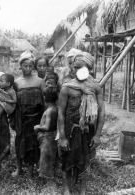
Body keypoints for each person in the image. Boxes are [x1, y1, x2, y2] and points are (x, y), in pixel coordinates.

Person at [58, 52, 105, 195]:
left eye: (81, 68)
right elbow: (61, 113)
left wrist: (97, 135)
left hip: (87, 131)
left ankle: (82, 190)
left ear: (89, 69)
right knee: (67, 159)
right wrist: (62, 137)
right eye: (74, 67)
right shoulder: (67, 87)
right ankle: (67, 190)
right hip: (70, 130)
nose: (76, 70)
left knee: (85, 161)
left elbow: (102, 112)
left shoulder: (95, 88)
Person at [12, 50, 45, 178]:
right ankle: (19, 168)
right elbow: (13, 101)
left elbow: (45, 100)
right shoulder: (16, 82)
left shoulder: (39, 81)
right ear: (20, 66)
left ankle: (31, 172)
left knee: (33, 144)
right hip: (21, 118)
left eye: (30, 66)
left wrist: (45, 119)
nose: (28, 68)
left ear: (34, 66)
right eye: (25, 66)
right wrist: (14, 120)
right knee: (19, 142)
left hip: (36, 117)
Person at [34, 86, 58, 180]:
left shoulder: (49, 111)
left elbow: (47, 127)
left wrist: (37, 127)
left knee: (45, 157)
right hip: (52, 136)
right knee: (50, 156)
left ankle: (45, 178)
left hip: (47, 137)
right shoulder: (56, 108)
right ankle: (47, 175)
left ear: (45, 97)